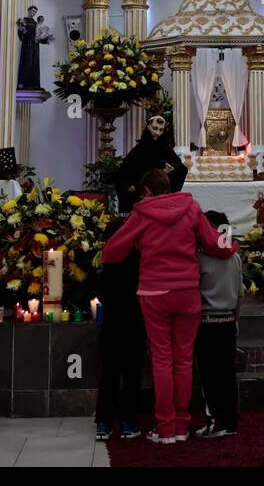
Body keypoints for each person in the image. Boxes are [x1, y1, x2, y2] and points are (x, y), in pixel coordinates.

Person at [102, 168, 236, 444]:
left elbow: (111, 252)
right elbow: (214, 243)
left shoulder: (142, 213)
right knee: (184, 360)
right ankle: (182, 425)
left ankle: (166, 428)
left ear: (148, 191)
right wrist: (232, 245)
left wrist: (138, 244)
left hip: (154, 292)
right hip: (187, 291)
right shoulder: (191, 208)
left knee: (162, 359)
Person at [94, 215, 144, 442]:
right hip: (135, 323)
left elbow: (101, 293)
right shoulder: (139, 259)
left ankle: (104, 423)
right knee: (132, 374)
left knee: (109, 375)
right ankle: (128, 422)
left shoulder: (108, 262)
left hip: (112, 323)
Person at [194, 209, 242, 438]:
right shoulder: (235, 257)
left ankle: (215, 421)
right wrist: (236, 318)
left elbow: (195, 291)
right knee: (227, 373)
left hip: (207, 321)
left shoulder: (200, 257)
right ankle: (231, 420)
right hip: (229, 320)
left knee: (209, 375)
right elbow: (240, 294)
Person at [114, 114, 186, 213]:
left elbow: (180, 168)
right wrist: (129, 185)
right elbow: (124, 173)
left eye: (161, 130)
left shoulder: (166, 149)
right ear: (148, 127)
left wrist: (171, 171)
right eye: (155, 128)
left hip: (162, 197)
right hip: (142, 196)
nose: (157, 133)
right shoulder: (139, 150)